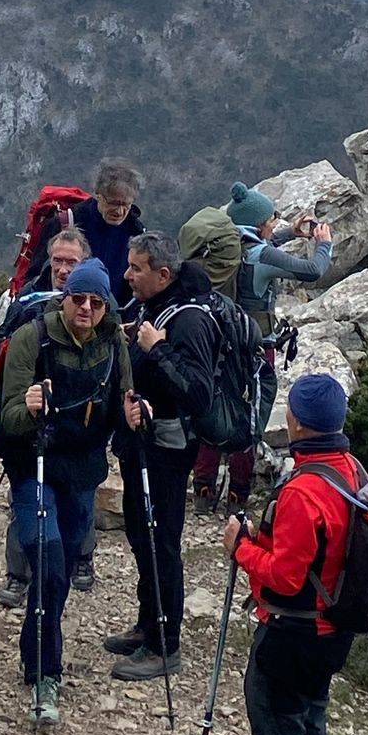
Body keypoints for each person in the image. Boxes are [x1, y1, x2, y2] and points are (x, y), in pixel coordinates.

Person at [223, 373, 357, 735]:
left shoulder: (304, 490)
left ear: (297, 422)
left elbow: (285, 577)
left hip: (294, 633)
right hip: (332, 632)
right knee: (310, 731)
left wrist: (241, 548)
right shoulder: (350, 471)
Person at [0, 261, 138, 727]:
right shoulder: (31, 339)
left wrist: (132, 418)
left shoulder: (113, 342)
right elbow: (7, 418)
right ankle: (46, 676)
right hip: (33, 464)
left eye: (96, 302)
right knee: (50, 563)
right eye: (79, 299)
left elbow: (121, 403)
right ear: (64, 299)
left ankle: (34, 648)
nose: (87, 309)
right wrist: (28, 407)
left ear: (106, 306)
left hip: (82, 472)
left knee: (59, 570)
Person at [106, 231, 217, 681]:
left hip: (169, 453)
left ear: (164, 274)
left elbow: (198, 394)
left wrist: (156, 349)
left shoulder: (189, 320)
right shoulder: (154, 307)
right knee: (140, 533)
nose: (127, 275)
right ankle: (147, 624)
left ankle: (164, 644)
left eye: (137, 268)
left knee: (161, 542)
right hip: (142, 444)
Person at [195, 182, 335, 511]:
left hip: (218, 343)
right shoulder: (263, 255)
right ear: (259, 224)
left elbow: (260, 243)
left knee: (214, 410)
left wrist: (289, 233)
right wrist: (323, 245)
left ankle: (203, 491)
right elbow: (312, 271)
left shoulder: (225, 247)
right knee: (250, 416)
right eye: (271, 219)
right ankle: (237, 495)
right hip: (256, 349)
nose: (274, 223)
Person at [0, 228, 102, 606]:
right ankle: (18, 574)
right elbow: (1, 352)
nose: (63, 269)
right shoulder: (28, 302)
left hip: (80, 426)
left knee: (82, 496)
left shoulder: (97, 304)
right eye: (57, 260)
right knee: (26, 498)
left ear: (84, 263)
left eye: (71, 262)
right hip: (32, 422)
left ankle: (82, 558)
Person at [26, 158, 145, 295]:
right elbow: (35, 277)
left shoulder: (136, 233)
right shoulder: (66, 223)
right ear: (98, 195)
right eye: (113, 203)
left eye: (126, 205)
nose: (119, 211)